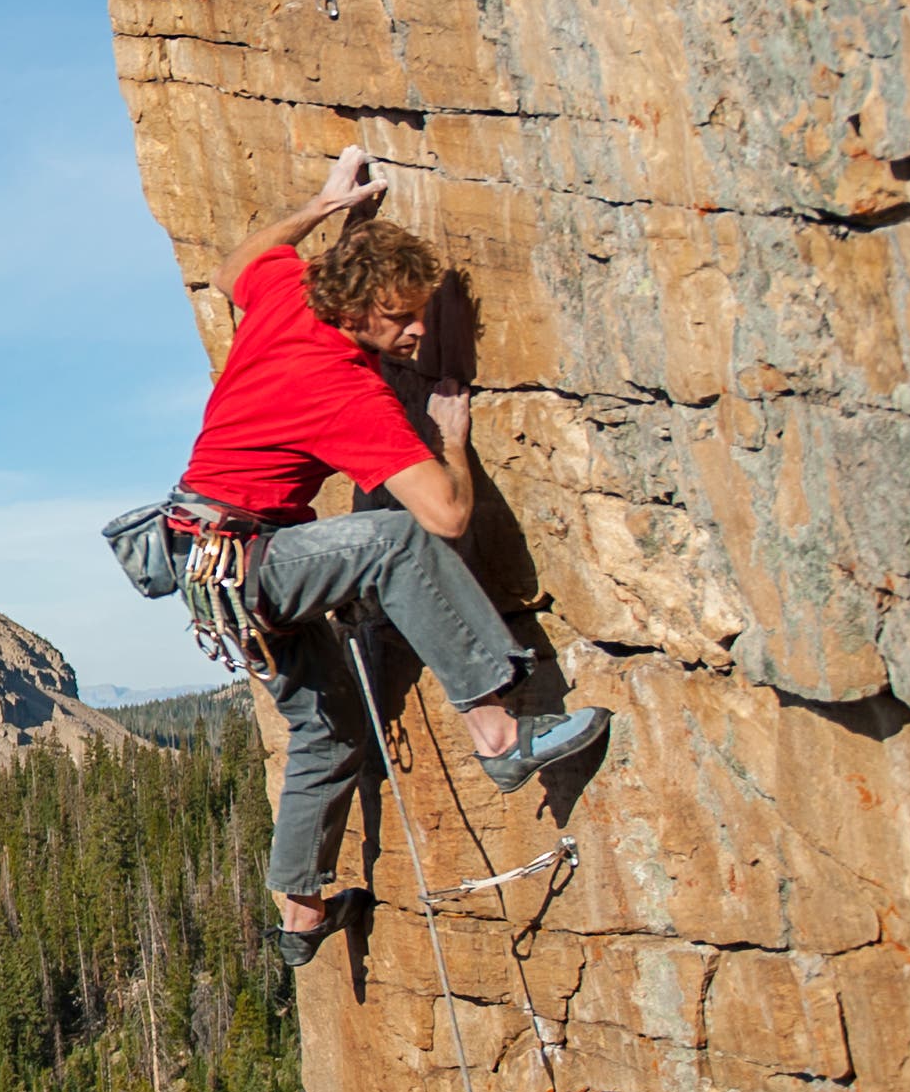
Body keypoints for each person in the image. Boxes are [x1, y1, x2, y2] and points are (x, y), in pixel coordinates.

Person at [167, 145, 608, 963]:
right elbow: (441, 517)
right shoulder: (346, 388)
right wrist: (449, 437)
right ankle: (499, 733)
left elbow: (238, 266)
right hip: (250, 560)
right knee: (394, 540)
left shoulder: (288, 295)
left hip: (206, 558)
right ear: (362, 306)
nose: (414, 333)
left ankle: (300, 912)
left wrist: (326, 203)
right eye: (403, 317)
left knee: (329, 722)